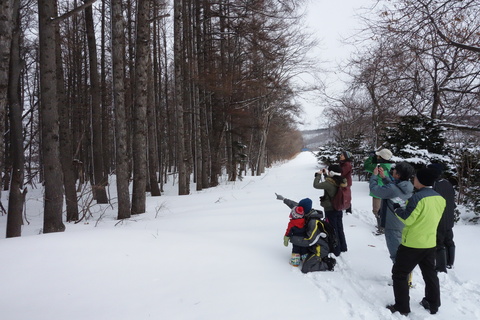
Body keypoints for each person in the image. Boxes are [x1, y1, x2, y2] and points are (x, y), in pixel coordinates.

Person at [387, 168, 446, 316]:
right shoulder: (440, 198)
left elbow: (408, 219)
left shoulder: (417, 198)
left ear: (419, 181)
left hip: (412, 244)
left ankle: (402, 307)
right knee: (430, 274)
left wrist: (397, 209)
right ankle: (433, 303)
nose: (413, 180)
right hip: (429, 243)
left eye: (415, 178)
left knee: (399, 274)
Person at [276, 194, 336, 273]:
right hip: (313, 245)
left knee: (306, 269)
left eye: (300, 208)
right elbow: (294, 205)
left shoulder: (313, 222)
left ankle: (328, 264)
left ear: (303, 210)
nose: (298, 208)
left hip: (320, 248)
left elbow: (309, 240)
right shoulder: (304, 212)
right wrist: (284, 199)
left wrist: (292, 238)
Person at [369, 161, 414, 263]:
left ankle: (401, 277)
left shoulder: (393, 189)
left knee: (396, 254)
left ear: (398, 175)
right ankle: (404, 275)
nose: (393, 171)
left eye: (395, 171)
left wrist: (374, 176)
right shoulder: (407, 186)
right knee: (402, 251)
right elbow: (394, 187)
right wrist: (384, 178)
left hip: (392, 225)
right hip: (401, 223)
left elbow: (375, 190)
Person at [313, 164, 348, 256]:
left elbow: (316, 185)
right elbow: (331, 181)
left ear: (332, 172)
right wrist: (325, 175)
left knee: (332, 229)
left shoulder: (329, 184)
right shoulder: (341, 181)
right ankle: (343, 246)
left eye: (329, 171)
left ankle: (336, 250)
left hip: (330, 209)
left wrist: (318, 175)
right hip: (339, 208)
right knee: (340, 228)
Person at [427, 163, 457, 272]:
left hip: (439, 218)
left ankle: (441, 267)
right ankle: (450, 262)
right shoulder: (447, 183)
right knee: (449, 240)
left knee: (439, 243)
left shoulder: (434, 185)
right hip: (449, 217)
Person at [364, 148, 394, 234]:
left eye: (378, 156)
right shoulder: (387, 165)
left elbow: (366, 166)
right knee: (382, 210)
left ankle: (382, 227)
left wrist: (371, 157)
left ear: (381, 157)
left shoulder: (380, 167)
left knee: (377, 210)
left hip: (378, 191)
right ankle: (382, 225)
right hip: (385, 190)